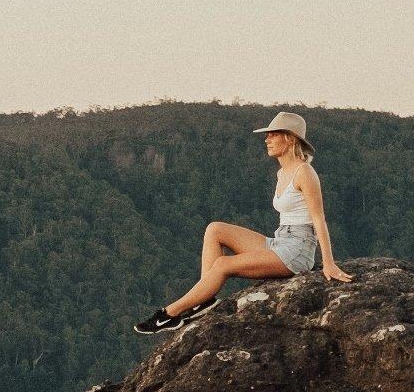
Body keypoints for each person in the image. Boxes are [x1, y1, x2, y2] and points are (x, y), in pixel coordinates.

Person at [132, 111, 352, 335]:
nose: (267, 139)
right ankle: (203, 302)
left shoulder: (304, 172)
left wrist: (328, 262)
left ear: (290, 138)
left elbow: (318, 218)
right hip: (280, 241)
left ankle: (169, 315)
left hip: (297, 249)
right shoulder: (282, 172)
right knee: (215, 229)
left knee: (222, 265)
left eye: (273, 135)